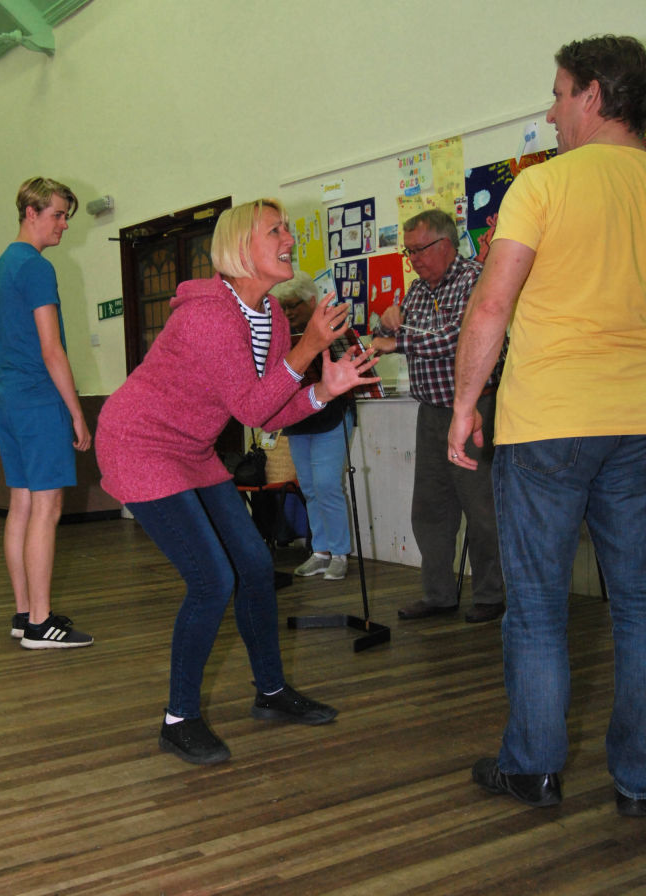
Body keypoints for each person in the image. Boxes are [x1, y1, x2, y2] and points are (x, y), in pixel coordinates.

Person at [95, 198, 379, 765]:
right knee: (211, 580)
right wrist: (310, 348)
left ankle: (271, 693)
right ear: (239, 247)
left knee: (253, 565)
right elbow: (252, 406)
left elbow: (269, 414)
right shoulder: (207, 315)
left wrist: (328, 388)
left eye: (286, 228)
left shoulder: (270, 315)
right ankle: (180, 720)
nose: (287, 237)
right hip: (140, 444)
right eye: (273, 230)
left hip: (192, 449)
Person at [447, 35, 646, 816]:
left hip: (547, 427)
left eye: (559, 92)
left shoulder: (544, 186)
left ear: (594, 95)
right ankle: (637, 779)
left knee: (537, 607)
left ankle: (532, 766)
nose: (552, 109)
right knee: (637, 606)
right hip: (637, 426)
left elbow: (491, 305)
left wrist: (465, 406)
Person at [371, 209, 506, 624]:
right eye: (408, 251)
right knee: (429, 509)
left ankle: (492, 595)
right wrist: (388, 317)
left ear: (446, 244)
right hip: (430, 412)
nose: (413, 259)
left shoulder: (473, 279)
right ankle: (438, 595)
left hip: (474, 409)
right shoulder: (415, 291)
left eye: (419, 250)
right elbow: (390, 329)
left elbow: (455, 336)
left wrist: (396, 341)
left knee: (482, 509)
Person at [0, 176, 93, 649]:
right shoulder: (34, 267)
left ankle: (25, 612)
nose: (63, 225)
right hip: (37, 399)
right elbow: (52, 350)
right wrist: (76, 412)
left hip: (8, 398)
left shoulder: (1, 266)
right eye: (57, 214)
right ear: (31, 212)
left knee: (22, 504)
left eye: (66, 216)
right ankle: (40, 624)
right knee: (46, 508)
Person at [275, 271, 358, 581]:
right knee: (309, 488)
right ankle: (320, 551)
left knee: (326, 485)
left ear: (312, 301)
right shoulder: (283, 337)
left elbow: (346, 371)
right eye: (283, 308)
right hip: (298, 419)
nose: (288, 313)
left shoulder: (333, 329)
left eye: (293, 305)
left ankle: (339, 553)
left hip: (332, 416)